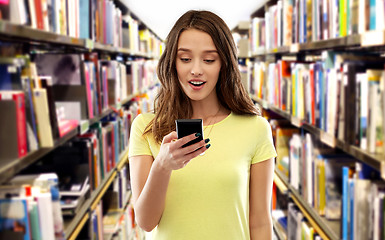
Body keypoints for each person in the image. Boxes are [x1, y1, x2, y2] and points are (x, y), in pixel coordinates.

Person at [128, 10, 277, 240]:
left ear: (224, 64)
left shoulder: (255, 128)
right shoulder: (145, 127)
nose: (196, 69)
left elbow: (259, 223)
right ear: (173, 63)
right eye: (185, 59)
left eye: (209, 59)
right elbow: (146, 223)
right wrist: (162, 166)